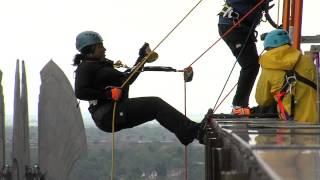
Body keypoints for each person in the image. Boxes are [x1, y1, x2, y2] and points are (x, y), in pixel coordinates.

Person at [73, 31, 207, 145]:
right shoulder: (85, 67)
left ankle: (188, 132)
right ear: (90, 49)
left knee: (155, 106)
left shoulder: (102, 65)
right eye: (100, 46)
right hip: (108, 115)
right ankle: (194, 132)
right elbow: (80, 92)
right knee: (155, 104)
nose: (104, 48)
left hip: (113, 113)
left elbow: (127, 80)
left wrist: (142, 58)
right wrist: (107, 94)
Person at [255, 29, 317, 123]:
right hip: (313, 120)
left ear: (269, 48)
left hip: (289, 123)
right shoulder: (307, 61)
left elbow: (262, 100)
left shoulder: (268, 68)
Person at [218, 0, 265, 115]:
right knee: (250, 65)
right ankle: (239, 106)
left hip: (237, 25)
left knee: (251, 65)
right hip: (234, 26)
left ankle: (239, 105)